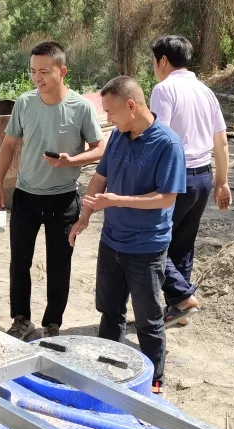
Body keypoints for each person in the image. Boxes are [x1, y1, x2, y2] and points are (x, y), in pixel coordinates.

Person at [70, 76, 186, 394]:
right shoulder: (118, 137)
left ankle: (154, 382)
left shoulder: (168, 144)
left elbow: (166, 198)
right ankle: (107, 373)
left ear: (131, 106)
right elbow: (100, 179)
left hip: (146, 248)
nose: (108, 119)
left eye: (111, 112)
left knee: (148, 320)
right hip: (111, 242)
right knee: (110, 312)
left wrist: (117, 201)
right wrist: (85, 216)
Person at [0, 41, 106, 340]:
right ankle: (21, 320)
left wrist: (72, 160)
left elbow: (100, 148)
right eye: (33, 71)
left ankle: (52, 324)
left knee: (59, 265)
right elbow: (8, 145)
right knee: (19, 262)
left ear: (62, 71)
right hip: (25, 196)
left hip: (64, 199)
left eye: (44, 71)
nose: (37, 77)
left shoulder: (81, 107)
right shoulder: (24, 103)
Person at [148, 35, 232, 326]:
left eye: (154, 61)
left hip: (177, 177)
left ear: (163, 60)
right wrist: (222, 181)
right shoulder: (205, 91)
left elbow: (161, 138)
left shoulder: (164, 89)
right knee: (183, 243)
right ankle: (178, 309)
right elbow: (221, 141)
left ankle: (182, 298)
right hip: (203, 177)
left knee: (152, 240)